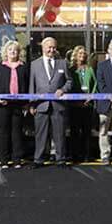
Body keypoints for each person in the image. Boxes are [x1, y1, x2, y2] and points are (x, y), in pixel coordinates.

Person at [29, 36, 73, 168]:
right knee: (40, 134)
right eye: (49, 47)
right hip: (41, 105)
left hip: (58, 105)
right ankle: (38, 159)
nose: (52, 50)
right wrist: (32, 104)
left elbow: (70, 81)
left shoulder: (62, 63)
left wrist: (63, 89)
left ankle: (60, 159)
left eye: (54, 47)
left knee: (59, 134)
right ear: (43, 48)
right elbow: (32, 85)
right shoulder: (34, 64)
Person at [0, 40, 30, 169]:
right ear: (6, 52)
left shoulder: (23, 67)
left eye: (15, 50)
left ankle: (17, 159)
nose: (13, 52)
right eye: (10, 50)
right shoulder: (0, 67)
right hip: (3, 105)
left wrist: (26, 103)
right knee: (3, 132)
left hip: (18, 105)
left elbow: (28, 85)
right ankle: (4, 160)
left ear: (19, 52)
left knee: (17, 133)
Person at [68, 45, 96, 162]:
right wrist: (76, 101)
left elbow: (95, 84)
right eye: (80, 54)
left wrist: (91, 97)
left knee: (86, 131)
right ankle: (74, 154)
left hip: (87, 105)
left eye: (84, 54)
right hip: (74, 105)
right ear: (75, 55)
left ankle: (86, 155)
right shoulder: (71, 69)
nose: (82, 56)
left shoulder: (90, 69)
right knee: (74, 131)